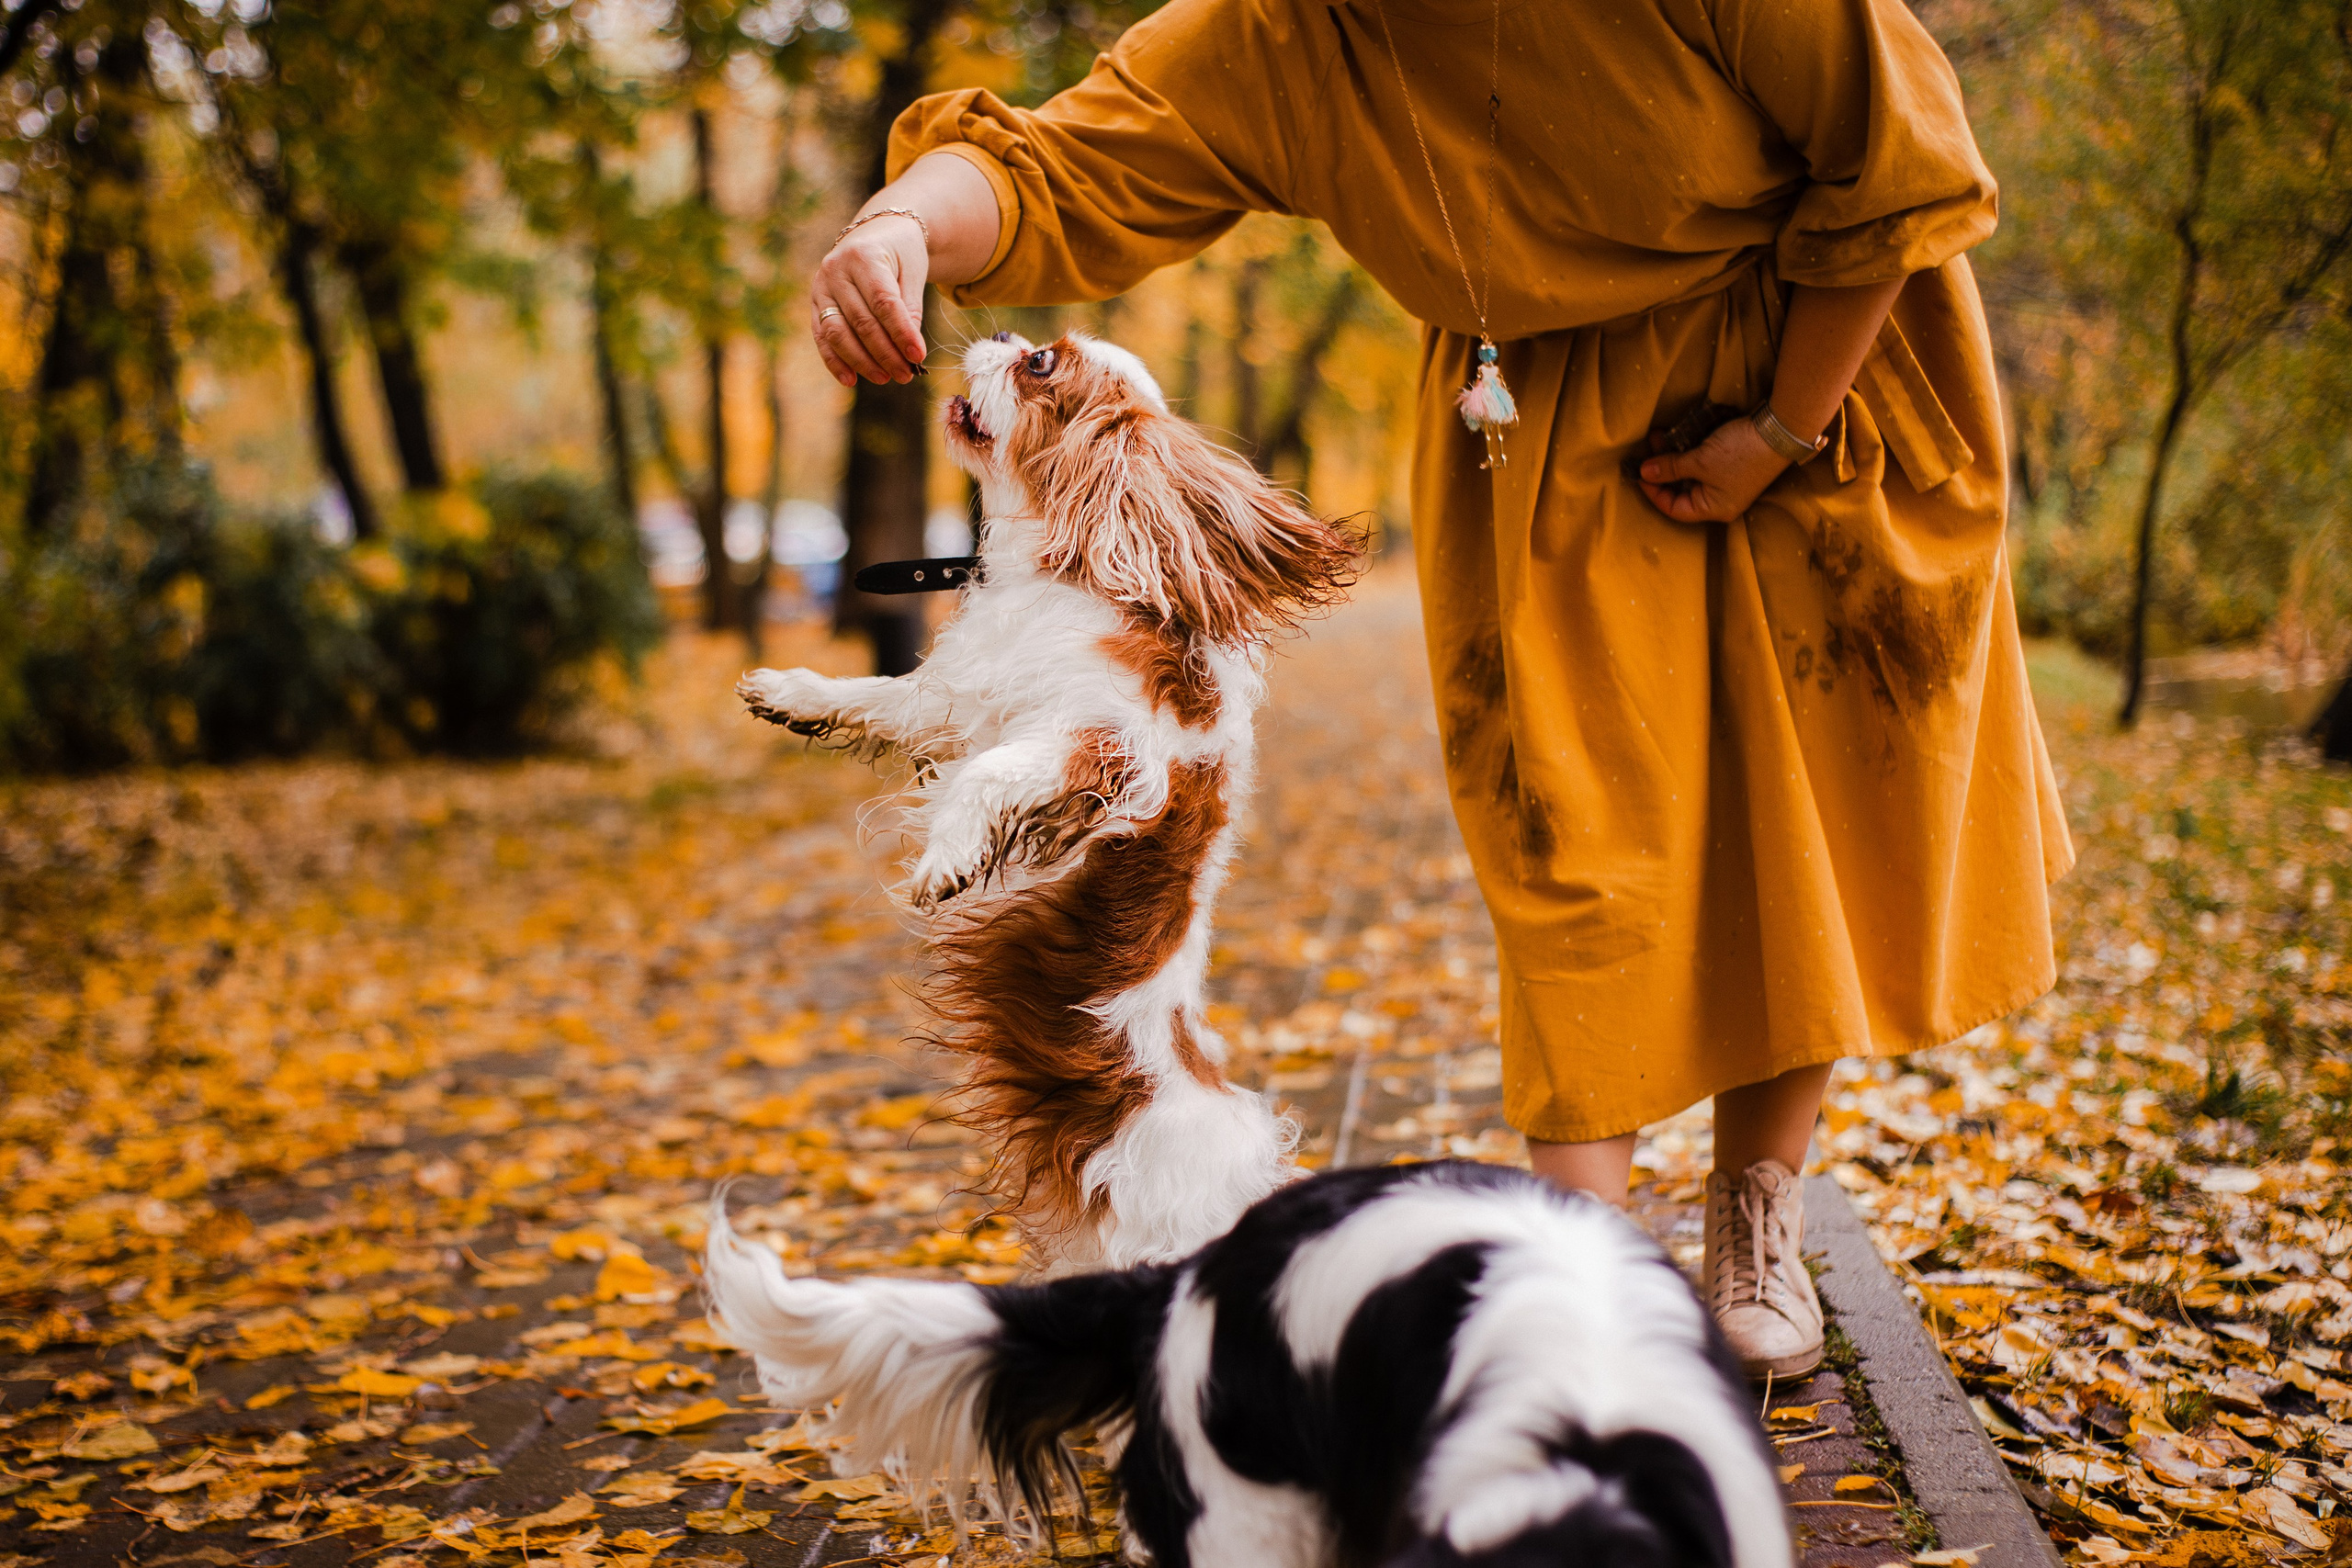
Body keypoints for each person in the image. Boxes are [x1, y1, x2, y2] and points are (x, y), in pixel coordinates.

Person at [803, 0, 2074, 1380]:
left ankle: (1758, 1207)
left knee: (1790, 815)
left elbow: (1899, 161)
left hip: (1813, 370)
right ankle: (1581, 1271)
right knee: (1566, 831)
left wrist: (1778, 429)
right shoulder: (1283, 34)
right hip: (1539, 427)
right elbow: (1063, 168)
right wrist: (902, 226)